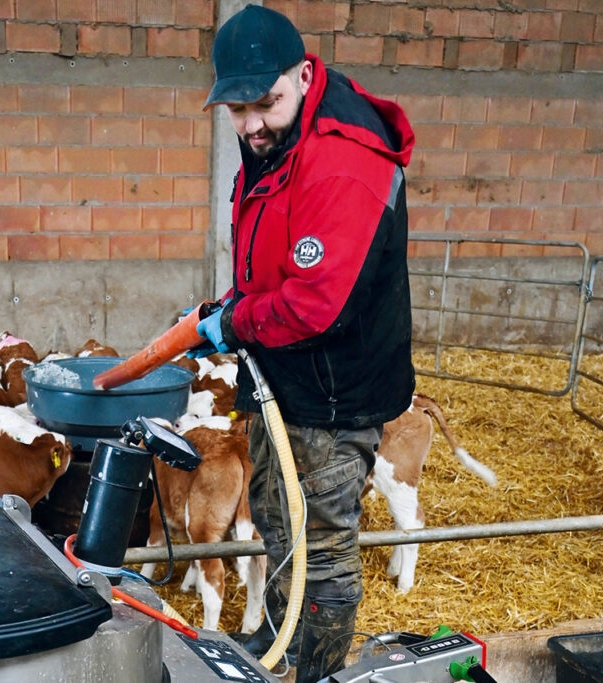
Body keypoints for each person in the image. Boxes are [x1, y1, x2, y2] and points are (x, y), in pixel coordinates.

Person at [189, 5, 416, 681]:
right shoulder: (278, 139)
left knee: (320, 540)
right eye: (237, 107)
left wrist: (233, 325)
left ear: (304, 74)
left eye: (267, 101)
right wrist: (228, 308)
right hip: (283, 371)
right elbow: (282, 260)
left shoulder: (342, 159)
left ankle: (312, 669)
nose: (252, 122)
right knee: (275, 517)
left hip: (335, 387)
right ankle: (284, 646)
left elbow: (318, 302)